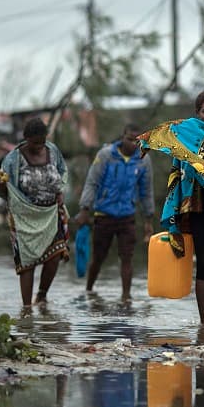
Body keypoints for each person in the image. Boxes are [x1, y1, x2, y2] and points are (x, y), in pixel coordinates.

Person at [139, 91, 204, 328]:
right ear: (197, 114)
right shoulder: (186, 134)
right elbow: (167, 139)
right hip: (197, 205)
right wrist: (147, 141)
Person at [0, 117, 70, 311]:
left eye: (42, 142)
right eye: (35, 142)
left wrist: (60, 192)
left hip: (50, 213)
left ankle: (42, 296)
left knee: (55, 255)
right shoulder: (13, 159)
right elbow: (2, 190)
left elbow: (62, 172)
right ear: (26, 138)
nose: (39, 147)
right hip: (23, 217)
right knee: (27, 263)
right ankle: (26, 309)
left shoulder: (53, 151)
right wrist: (4, 184)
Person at [75, 124, 154, 300]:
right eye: (129, 139)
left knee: (127, 258)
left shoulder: (143, 160)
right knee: (98, 257)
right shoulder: (106, 155)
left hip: (127, 216)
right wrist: (84, 209)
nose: (133, 144)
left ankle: (126, 297)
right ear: (122, 137)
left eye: (138, 141)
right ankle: (89, 289)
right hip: (104, 215)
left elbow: (146, 191)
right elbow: (92, 182)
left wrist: (148, 220)